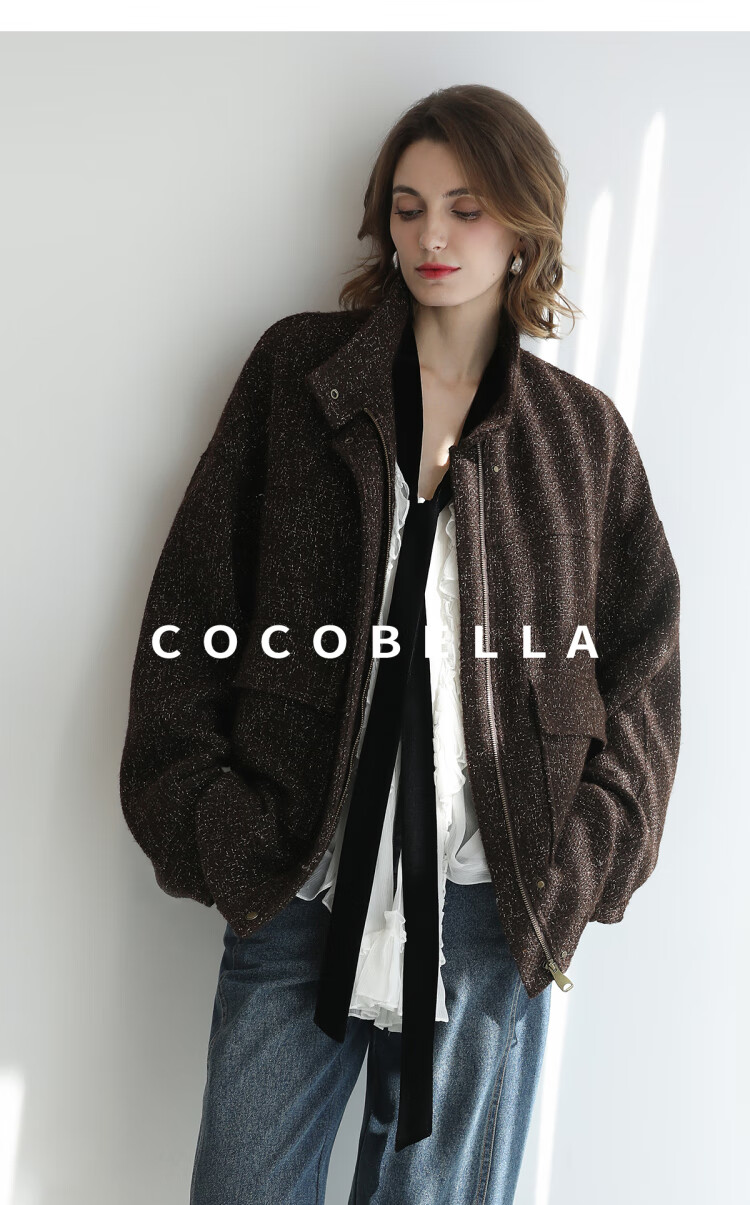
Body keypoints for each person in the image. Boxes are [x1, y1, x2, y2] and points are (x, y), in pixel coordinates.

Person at [119, 85, 681, 1204]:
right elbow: (192, 604)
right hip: (304, 877)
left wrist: (576, 867)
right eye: (410, 206)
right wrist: (217, 827)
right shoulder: (300, 376)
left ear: (525, 226)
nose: (432, 236)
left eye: (467, 208)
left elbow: (644, 668)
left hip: (492, 901)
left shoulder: (580, 437)